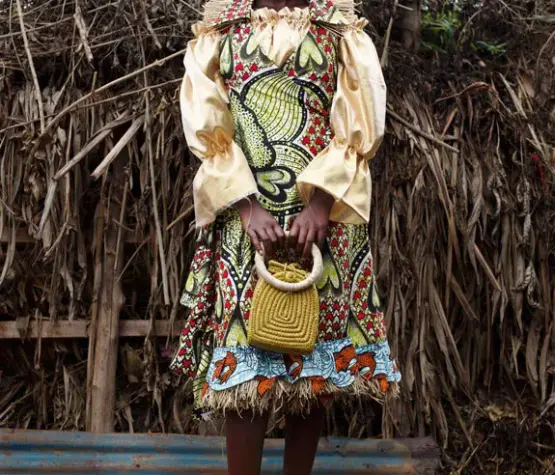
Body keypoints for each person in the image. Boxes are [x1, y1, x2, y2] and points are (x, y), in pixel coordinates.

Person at [170, 0, 401, 472]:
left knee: (311, 365)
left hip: (324, 219)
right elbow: (208, 122)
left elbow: (359, 122)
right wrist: (246, 205)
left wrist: (321, 204)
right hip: (246, 220)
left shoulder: (340, 30)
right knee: (242, 370)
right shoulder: (220, 29)